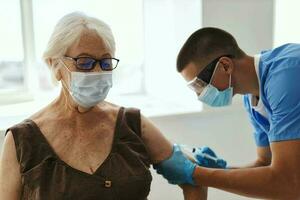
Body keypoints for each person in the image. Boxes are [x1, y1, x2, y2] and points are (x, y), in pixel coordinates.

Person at [0, 12, 216, 200]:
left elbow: (192, 178)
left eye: (105, 63)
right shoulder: (22, 141)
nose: (97, 73)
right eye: (84, 62)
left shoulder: (132, 124)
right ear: (54, 64)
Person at [154, 27, 300, 199]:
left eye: (199, 85)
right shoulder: (252, 98)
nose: (199, 95)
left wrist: (195, 174)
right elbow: (265, 164)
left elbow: (288, 183)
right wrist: (215, 171)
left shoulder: (287, 76)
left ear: (225, 65)